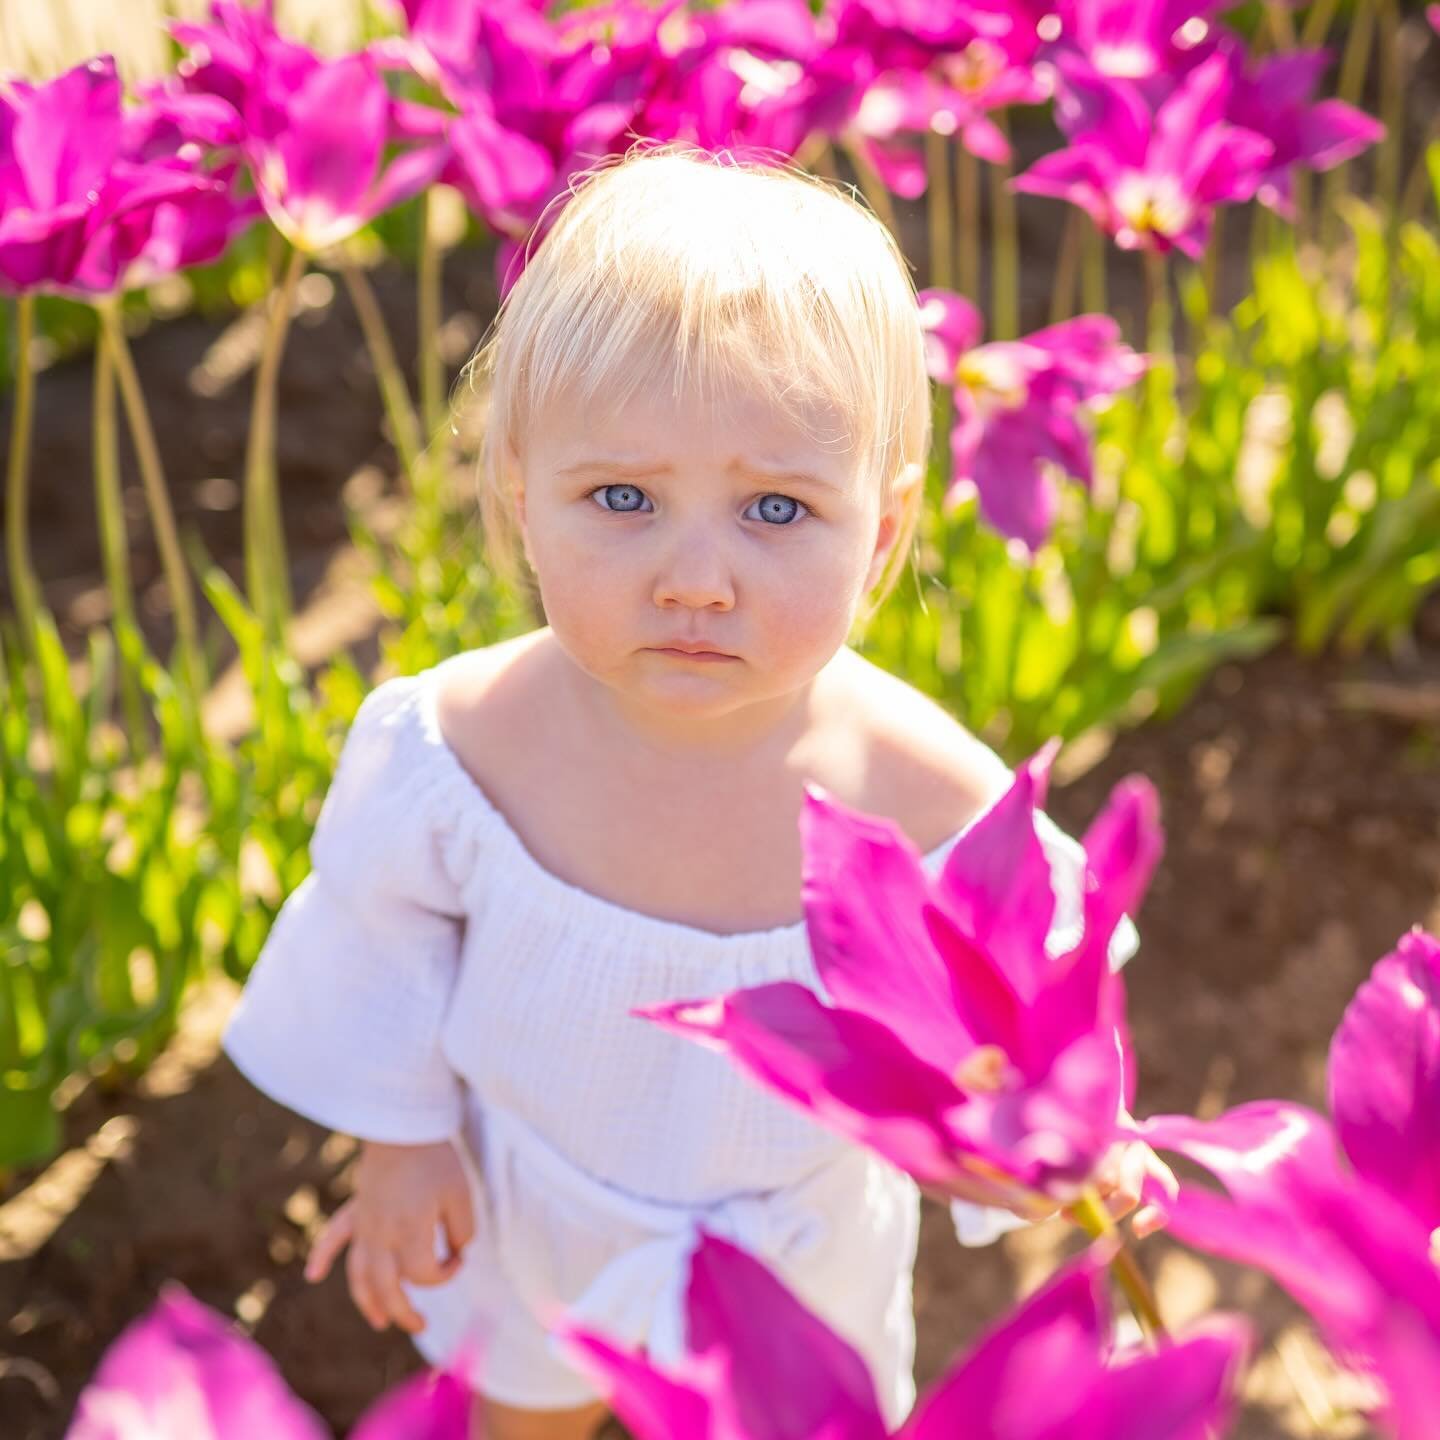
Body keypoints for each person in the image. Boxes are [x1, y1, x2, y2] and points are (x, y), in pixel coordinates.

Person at [222, 142, 1141, 1440]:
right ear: (523, 499)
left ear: (878, 534)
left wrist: (1071, 1145)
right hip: (536, 1197)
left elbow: (1045, 975)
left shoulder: (916, 788)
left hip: (796, 1245)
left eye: (775, 510)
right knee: (522, 1407)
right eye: (622, 498)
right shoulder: (465, 747)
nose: (697, 578)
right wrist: (402, 1139)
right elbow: (380, 942)